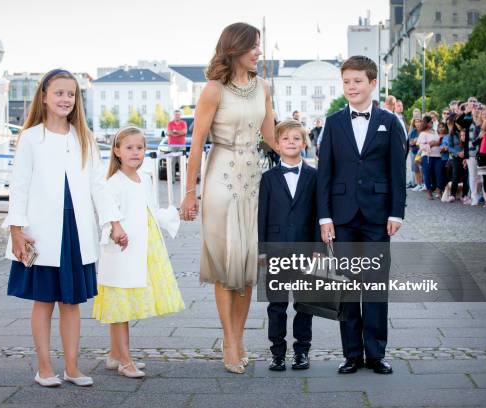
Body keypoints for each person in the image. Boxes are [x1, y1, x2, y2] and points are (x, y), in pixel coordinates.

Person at [3, 69, 128, 388]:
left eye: (71, 94)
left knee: (71, 303)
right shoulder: (30, 137)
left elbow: (98, 185)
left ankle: (73, 367)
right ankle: (44, 368)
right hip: (41, 232)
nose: (65, 99)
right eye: (59, 92)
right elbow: (18, 186)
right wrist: (16, 229)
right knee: (43, 300)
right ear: (43, 96)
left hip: (76, 230)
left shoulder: (83, 137)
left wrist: (114, 222)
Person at [179, 22, 276, 374]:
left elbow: (273, 138)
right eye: (254, 47)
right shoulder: (213, 90)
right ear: (236, 48)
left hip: (253, 177)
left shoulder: (263, 87)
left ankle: (238, 335)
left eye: (259, 46)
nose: (258, 52)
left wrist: (308, 165)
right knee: (225, 264)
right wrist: (190, 192)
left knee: (248, 266)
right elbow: (196, 144)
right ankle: (230, 342)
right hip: (220, 176)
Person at [317, 56, 406, 375]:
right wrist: (324, 217)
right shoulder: (332, 122)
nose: (351, 87)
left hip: (377, 216)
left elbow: (397, 171)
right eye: (346, 82)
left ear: (372, 84)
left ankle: (377, 353)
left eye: (357, 81)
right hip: (341, 217)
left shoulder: (390, 122)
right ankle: (352, 354)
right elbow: (324, 172)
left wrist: (397, 212)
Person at [93, 126, 185, 378]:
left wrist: (173, 215)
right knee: (119, 305)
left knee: (124, 302)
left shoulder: (145, 178)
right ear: (117, 151)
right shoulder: (113, 183)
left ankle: (114, 355)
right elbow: (106, 214)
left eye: (140, 147)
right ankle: (125, 360)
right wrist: (114, 231)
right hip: (121, 249)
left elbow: (150, 210)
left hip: (144, 247)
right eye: (129, 148)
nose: (135, 152)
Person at [258, 120, 318, 372]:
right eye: (285, 139)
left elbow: (319, 213)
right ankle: (278, 353)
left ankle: (302, 351)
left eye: (296, 138)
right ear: (277, 145)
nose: (291, 142)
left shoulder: (315, 176)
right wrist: (262, 249)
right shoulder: (268, 178)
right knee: (277, 304)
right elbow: (262, 215)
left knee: (305, 303)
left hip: (306, 248)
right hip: (276, 249)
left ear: (304, 144)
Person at [417, 115, 443, 200]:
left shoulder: (435, 132)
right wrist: (430, 144)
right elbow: (421, 147)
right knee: (427, 174)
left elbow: (439, 142)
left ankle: (439, 190)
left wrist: (437, 143)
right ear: (427, 123)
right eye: (430, 121)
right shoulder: (423, 133)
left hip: (437, 156)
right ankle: (429, 191)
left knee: (439, 173)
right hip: (427, 157)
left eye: (432, 121)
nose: (432, 123)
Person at [448, 127, 470, 203]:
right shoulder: (452, 133)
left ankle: (465, 195)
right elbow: (449, 147)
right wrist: (457, 153)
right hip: (456, 157)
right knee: (455, 175)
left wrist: (465, 153)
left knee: (466, 176)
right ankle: (452, 194)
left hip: (467, 157)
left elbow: (470, 144)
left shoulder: (466, 129)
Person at [408, 118, 423, 190]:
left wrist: (417, 141)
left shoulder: (424, 131)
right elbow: (410, 142)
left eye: (419, 122)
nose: (417, 123)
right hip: (414, 152)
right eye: (416, 122)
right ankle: (418, 184)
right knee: (416, 168)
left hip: (422, 152)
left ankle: (423, 184)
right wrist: (414, 142)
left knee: (422, 169)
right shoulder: (413, 132)